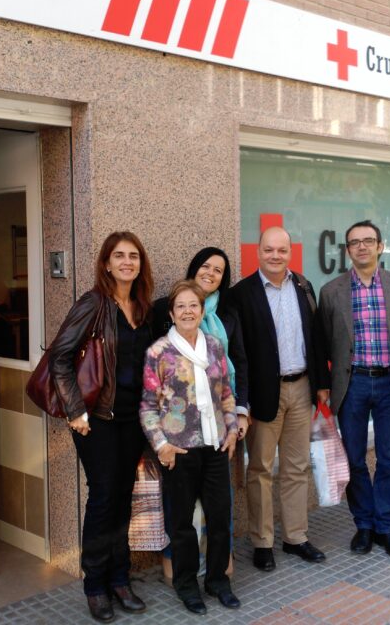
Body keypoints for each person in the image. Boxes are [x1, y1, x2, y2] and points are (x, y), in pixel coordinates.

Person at [49, 231, 155, 622]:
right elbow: (60, 356)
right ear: (106, 263)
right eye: (119, 256)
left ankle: (120, 578)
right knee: (103, 497)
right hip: (97, 420)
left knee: (123, 497)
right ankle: (95, 585)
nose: (127, 262)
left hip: (132, 419)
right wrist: (75, 411)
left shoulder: (140, 307)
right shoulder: (92, 303)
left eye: (134, 256)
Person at [229, 226, 329, 572]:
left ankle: (296, 537)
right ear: (258, 251)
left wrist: (321, 383)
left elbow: (316, 338)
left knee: (297, 467)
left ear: (290, 252)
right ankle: (262, 542)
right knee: (259, 470)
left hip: (301, 387)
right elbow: (237, 352)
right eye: (269, 250)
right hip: (263, 395)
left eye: (282, 250)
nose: (276, 256)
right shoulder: (241, 294)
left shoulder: (303, 286)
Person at [318, 220, 390, 561]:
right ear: (347, 250)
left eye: (368, 241)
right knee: (355, 459)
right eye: (354, 242)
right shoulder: (331, 291)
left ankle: (386, 528)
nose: (361, 247)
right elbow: (326, 343)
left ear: (379, 246)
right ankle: (363, 525)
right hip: (353, 383)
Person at [141, 280, 240, 614]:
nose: (187, 311)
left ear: (202, 310)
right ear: (171, 313)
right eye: (180, 306)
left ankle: (217, 581)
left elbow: (226, 393)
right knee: (182, 523)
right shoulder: (158, 352)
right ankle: (187, 585)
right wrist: (162, 446)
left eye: (193, 305)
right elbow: (147, 406)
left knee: (219, 518)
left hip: (215, 447)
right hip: (179, 451)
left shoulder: (214, 346)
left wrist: (231, 432)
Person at [151, 247, 250, 581]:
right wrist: (159, 440)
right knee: (181, 511)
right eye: (205, 266)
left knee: (220, 507)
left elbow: (232, 377)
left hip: (218, 430)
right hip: (179, 436)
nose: (211, 273)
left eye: (219, 270)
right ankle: (182, 572)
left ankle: (219, 572)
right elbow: (150, 394)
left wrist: (236, 419)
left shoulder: (226, 318)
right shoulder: (161, 327)